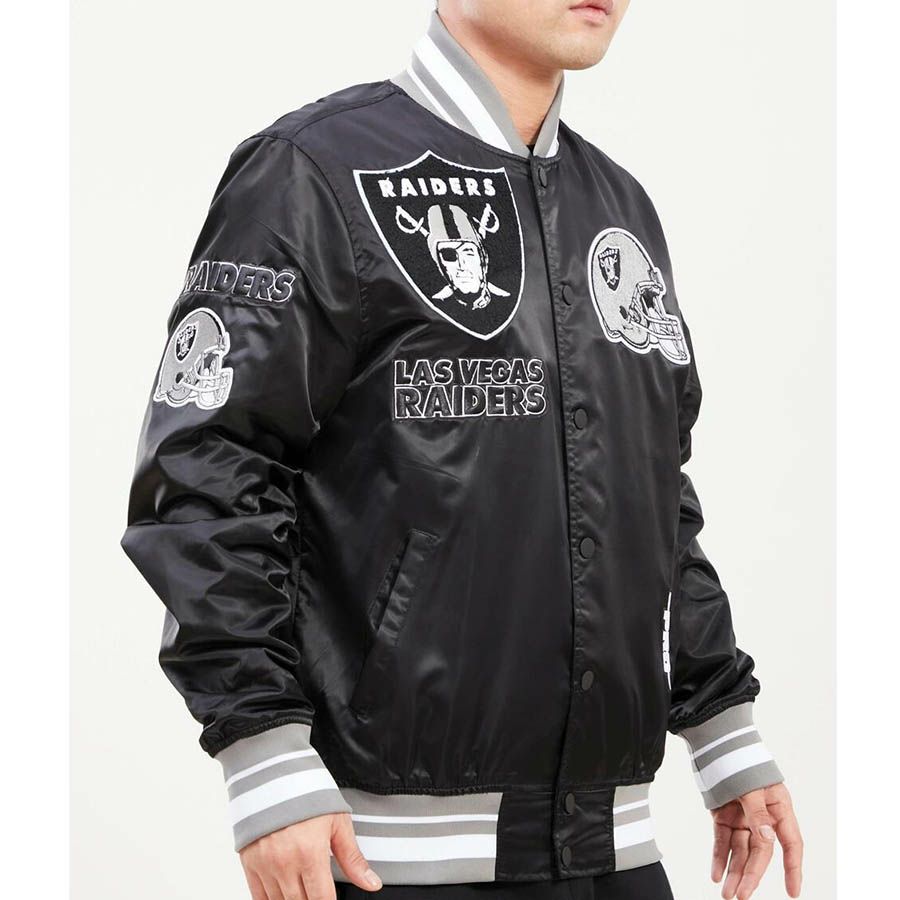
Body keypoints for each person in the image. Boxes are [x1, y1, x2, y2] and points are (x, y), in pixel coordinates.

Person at [122, 2, 804, 899]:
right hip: (385, 855)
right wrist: (263, 754)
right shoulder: (315, 173)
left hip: (616, 850)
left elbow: (654, 494)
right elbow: (208, 472)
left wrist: (724, 730)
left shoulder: (619, 208)